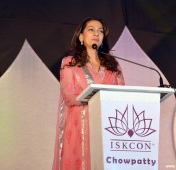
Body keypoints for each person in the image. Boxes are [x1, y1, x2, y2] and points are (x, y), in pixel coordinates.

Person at [52, 17, 125, 170]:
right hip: (80, 125)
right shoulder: (69, 63)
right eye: (91, 29)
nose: (96, 34)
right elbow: (69, 96)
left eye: (100, 31)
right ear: (81, 37)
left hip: (108, 127)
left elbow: (122, 94)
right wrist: (96, 96)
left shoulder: (113, 65)